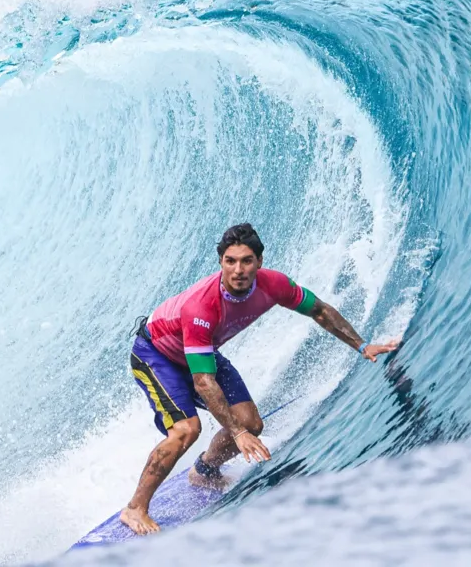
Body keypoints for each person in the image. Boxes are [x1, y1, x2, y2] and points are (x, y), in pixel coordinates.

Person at [118, 223, 400, 535]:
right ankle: (135, 508)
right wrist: (236, 433)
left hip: (201, 352)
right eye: (230, 261)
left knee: (251, 424)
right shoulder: (202, 306)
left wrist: (361, 345)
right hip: (157, 354)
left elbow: (318, 310)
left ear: (259, 262)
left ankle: (204, 471)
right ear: (221, 262)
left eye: (246, 260)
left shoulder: (273, 284)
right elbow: (202, 382)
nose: (238, 269)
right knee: (186, 430)